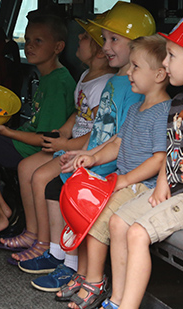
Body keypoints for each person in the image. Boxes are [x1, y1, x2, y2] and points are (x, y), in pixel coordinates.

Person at [26, 2, 154, 295]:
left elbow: (123, 138)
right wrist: (85, 155)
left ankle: (73, 267)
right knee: (64, 191)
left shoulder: (130, 88)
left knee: (77, 199)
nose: (105, 47)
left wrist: (95, 162)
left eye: (113, 40)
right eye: (104, 39)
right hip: (94, 160)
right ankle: (67, 261)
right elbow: (100, 130)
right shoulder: (117, 81)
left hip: (108, 168)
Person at [101, 11, 183, 309]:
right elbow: (172, 149)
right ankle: (116, 300)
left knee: (139, 233)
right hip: (173, 189)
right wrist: (161, 185)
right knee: (118, 223)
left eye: (171, 56)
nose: (165, 64)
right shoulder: (178, 102)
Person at [0, 15, 116, 263]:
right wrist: (63, 131)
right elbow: (78, 112)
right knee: (25, 167)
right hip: (71, 145)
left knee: (40, 177)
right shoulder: (85, 77)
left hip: (85, 149)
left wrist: (66, 144)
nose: (79, 39)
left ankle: (44, 242)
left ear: (101, 54)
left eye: (85, 38)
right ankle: (32, 232)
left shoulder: (106, 84)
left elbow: (97, 131)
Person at [65, 35, 172, 309]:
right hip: (124, 182)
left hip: (143, 186)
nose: (129, 73)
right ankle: (89, 275)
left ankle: (96, 281)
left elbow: (160, 159)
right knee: (84, 207)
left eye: (135, 67)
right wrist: (92, 155)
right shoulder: (137, 108)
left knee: (100, 218)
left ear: (160, 74)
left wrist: (125, 179)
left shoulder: (163, 112)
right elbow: (117, 142)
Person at [0, 12, 76, 246]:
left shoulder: (57, 83)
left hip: (36, 152)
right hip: (27, 144)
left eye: (38, 41)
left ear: (58, 47)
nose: (29, 46)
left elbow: (46, 138)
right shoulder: (47, 77)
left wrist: (6, 132)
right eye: (27, 40)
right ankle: (1, 209)